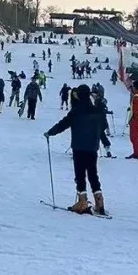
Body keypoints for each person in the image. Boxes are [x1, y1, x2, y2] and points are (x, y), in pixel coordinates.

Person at [46, 84, 112, 215]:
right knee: (93, 174)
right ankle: (99, 202)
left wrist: (50, 133)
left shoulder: (76, 111)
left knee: (80, 175)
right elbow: (103, 126)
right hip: (93, 147)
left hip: (79, 147)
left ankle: (82, 202)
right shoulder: (96, 111)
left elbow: (62, 124)